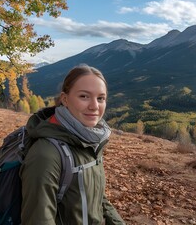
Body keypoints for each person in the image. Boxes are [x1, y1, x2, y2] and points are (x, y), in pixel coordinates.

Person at [19, 64, 125, 225]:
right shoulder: (46, 155)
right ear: (65, 99)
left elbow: (97, 197)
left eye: (101, 98)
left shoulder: (89, 139)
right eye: (84, 96)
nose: (94, 106)